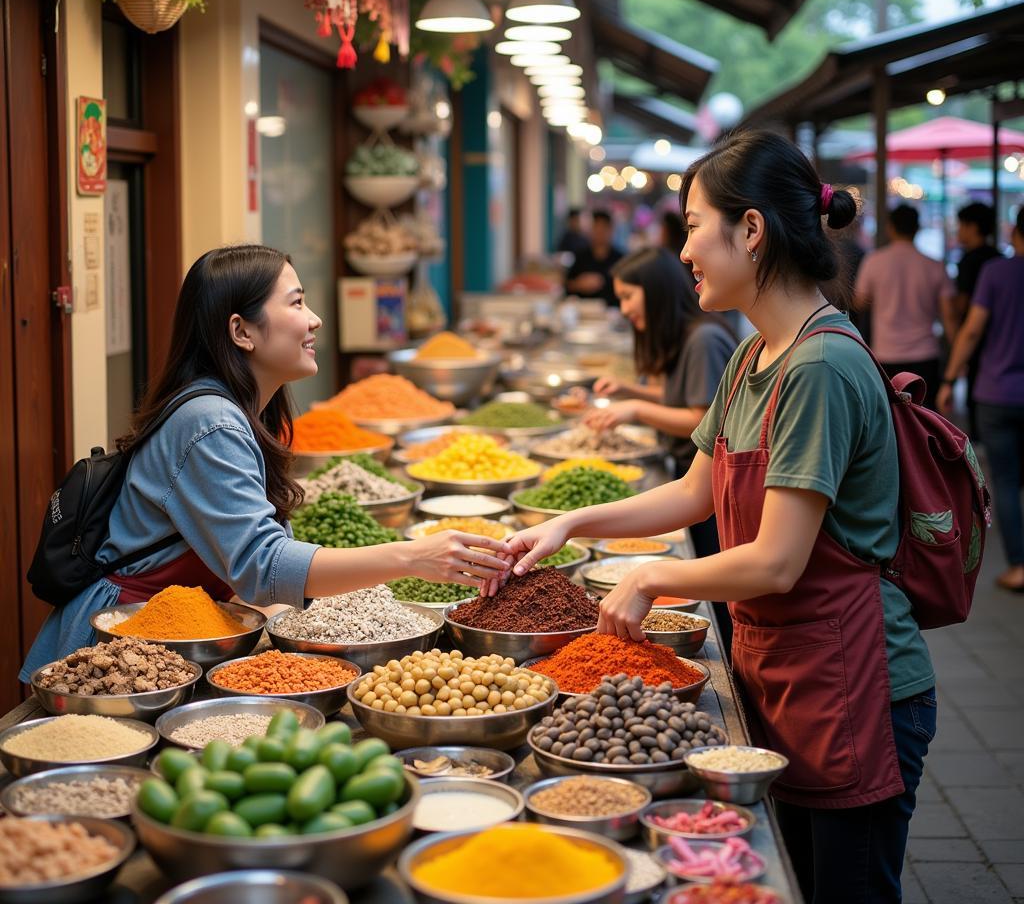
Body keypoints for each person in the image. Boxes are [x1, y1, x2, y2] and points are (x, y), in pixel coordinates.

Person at [502, 131, 935, 904]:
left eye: (695, 224)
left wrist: (653, 575)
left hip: (854, 680)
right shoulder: (754, 354)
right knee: (794, 874)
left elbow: (776, 561)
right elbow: (694, 495)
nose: (684, 248)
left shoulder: (820, 366)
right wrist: (570, 524)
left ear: (752, 229)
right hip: (783, 667)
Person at [21, 245, 509, 677]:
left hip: (174, 639)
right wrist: (410, 557)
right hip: (117, 651)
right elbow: (262, 567)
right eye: (296, 302)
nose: (315, 319)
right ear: (241, 331)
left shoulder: (248, 412)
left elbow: (266, 560)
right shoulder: (210, 422)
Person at [585, 247, 736, 557]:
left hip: (709, 487)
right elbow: (681, 397)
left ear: (656, 292)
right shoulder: (685, 336)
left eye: (627, 296)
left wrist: (636, 408)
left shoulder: (704, 340)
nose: (624, 309)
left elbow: (701, 420)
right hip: (693, 479)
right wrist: (629, 390)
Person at [938, 206, 1024, 592]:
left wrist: (950, 377)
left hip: (996, 393)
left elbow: (971, 331)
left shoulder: (997, 273)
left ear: (1015, 234)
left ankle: (1020, 565)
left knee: (1004, 481)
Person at [854, 203, 956, 409]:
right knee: (925, 421)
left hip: (885, 354)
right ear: (917, 228)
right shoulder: (934, 265)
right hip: (925, 355)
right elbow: (949, 317)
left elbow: (859, 302)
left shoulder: (874, 261)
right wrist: (957, 358)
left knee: (891, 422)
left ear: (890, 228)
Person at [953, 202, 1001, 437]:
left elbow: (962, 305)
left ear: (972, 227)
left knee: (975, 394)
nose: (958, 230)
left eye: (961, 225)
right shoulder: (998, 258)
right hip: (999, 338)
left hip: (977, 338)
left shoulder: (969, 261)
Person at [564, 209, 623, 306]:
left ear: (611, 230)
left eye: (604, 228)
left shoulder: (620, 259)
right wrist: (579, 284)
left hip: (612, 312)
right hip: (583, 312)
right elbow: (567, 285)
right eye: (596, 227)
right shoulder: (581, 256)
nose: (600, 232)